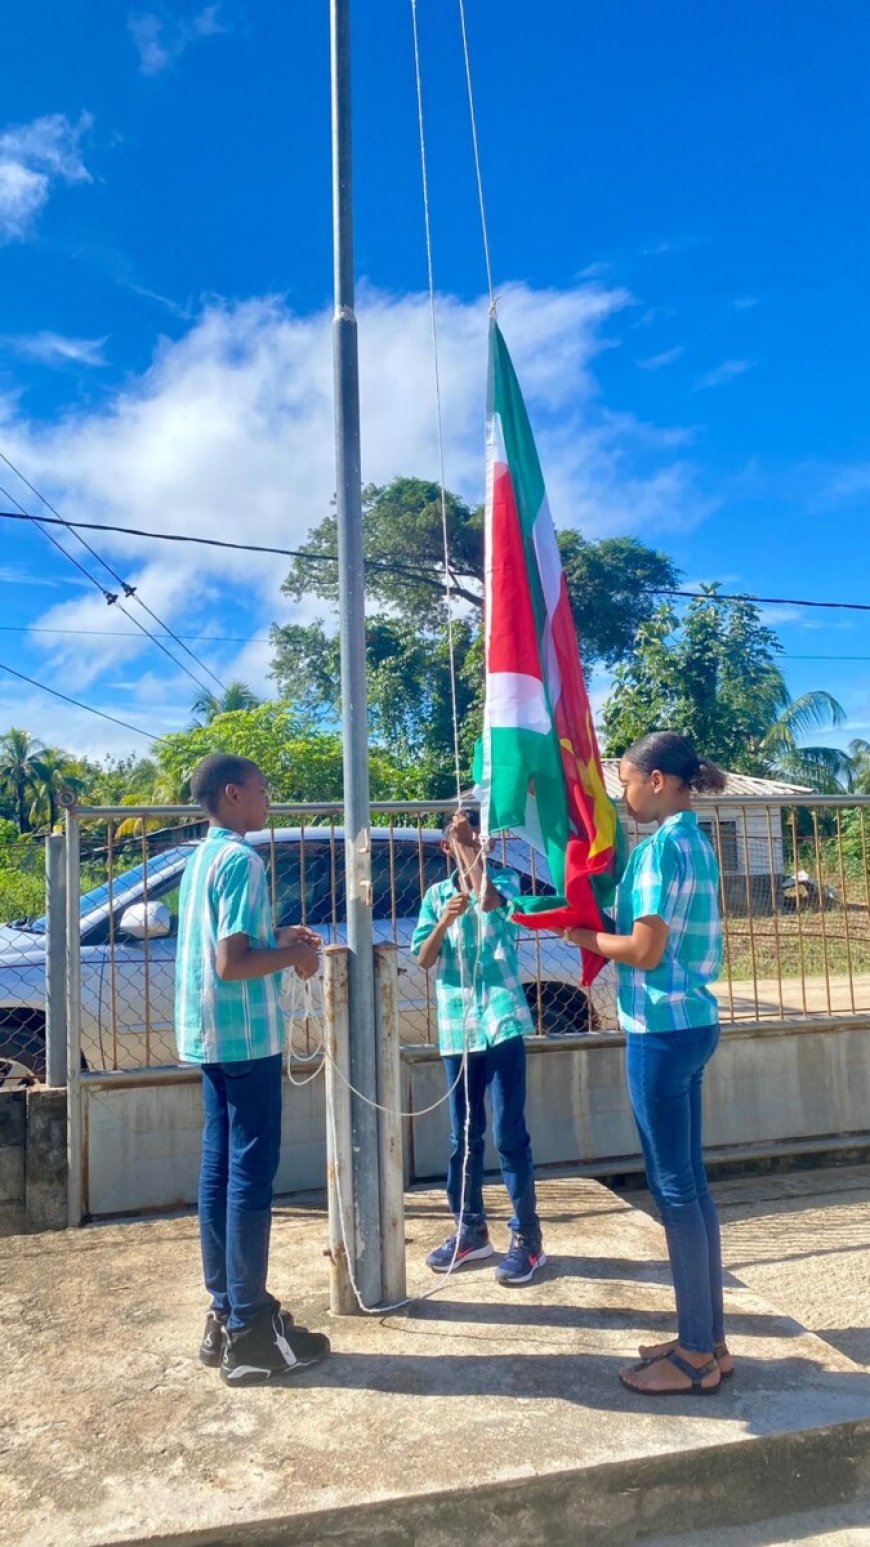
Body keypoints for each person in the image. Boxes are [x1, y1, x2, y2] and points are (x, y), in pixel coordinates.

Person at [564, 731, 730, 1396]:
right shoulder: (693, 840)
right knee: (690, 1185)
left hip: (660, 1029)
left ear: (659, 779)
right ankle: (708, 1339)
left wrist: (585, 937)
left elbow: (643, 950)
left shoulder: (664, 848)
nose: (622, 791)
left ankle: (694, 1354)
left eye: (627, 780)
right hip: (690, 1024)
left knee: (675, 1189)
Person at [176, 753, 331, 1386]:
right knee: (249, 1177)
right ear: (233, 795)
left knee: (219, 1170)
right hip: (245, 1038)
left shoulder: (201, 858)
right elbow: (233, 963)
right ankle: (250, 1331)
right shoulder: (242, 859)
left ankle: (226, 1313)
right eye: (263, 791)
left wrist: (277, 933)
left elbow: (226, 943)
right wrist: (295, 953)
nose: (269, 800)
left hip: (209, 1035)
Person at [412, 809, 546, 1285]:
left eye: (475, 836)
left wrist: (472, 847)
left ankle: (527, 1238)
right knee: (462, 1139)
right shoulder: (435, 896)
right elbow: (424, 958)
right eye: (458, 838)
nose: (468, 842)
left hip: (502, 1022)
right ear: (445, 847)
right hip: (459, 1030)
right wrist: (443, 924)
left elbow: (488, 900)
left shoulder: (503, 880)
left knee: (510, 1133)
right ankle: (470, 1230)